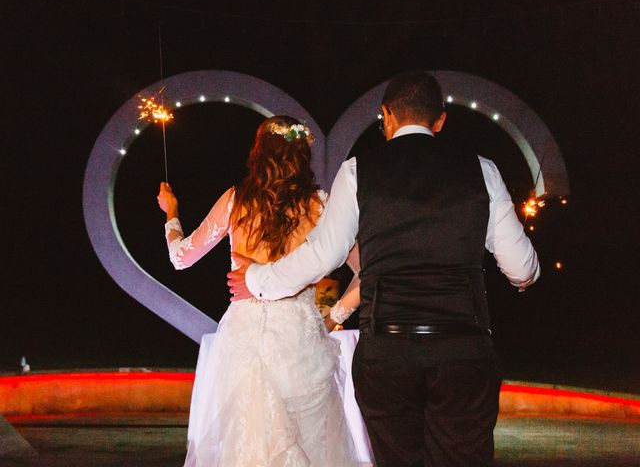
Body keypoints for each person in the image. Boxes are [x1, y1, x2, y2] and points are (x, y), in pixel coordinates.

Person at [228, 71, 540, 466]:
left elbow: (321, 255)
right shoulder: (482, 170)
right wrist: (527, 276)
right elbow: (521, 269)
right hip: (463, 348)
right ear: (439, 120)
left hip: (388, 352)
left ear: (386, 116)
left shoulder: (358, 171)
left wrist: (257, 279)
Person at [157, 115, 360, 466]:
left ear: (258, 152)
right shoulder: (320, 205)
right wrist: (333, 318)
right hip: (301, 337)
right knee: (311, 440)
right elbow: (367, 272)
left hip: (245, 336)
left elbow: (181, 257)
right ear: (302, 156)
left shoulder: (236, 201)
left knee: (248, 443)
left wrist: (171, 213)